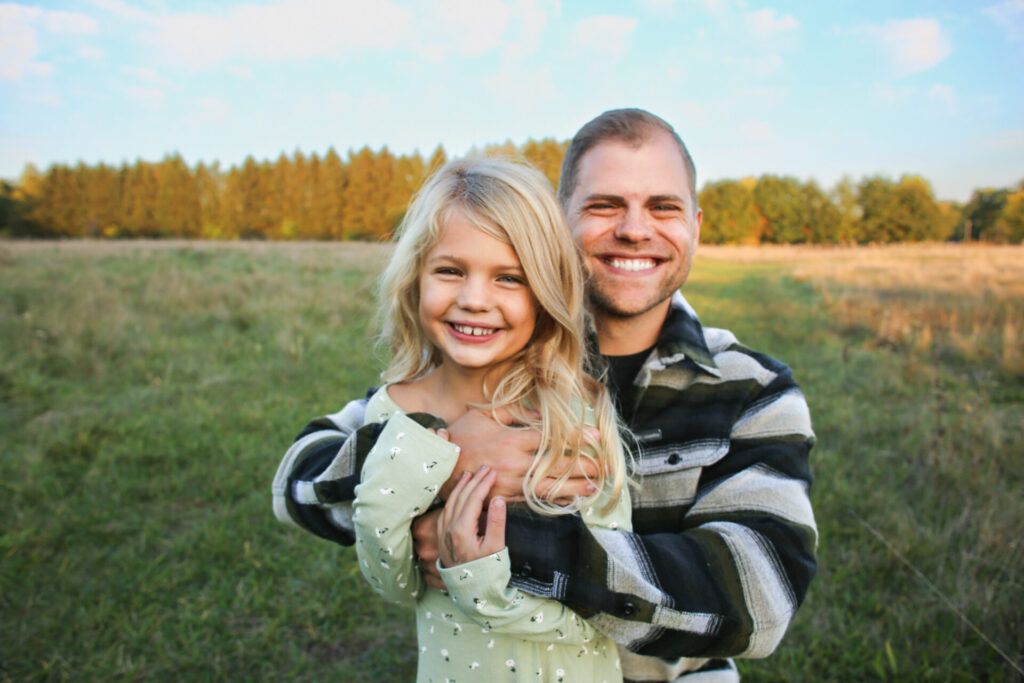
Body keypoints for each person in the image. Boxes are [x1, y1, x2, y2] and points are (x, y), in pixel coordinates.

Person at [272, 108, 818, 681]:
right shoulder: (484, 361)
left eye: (664, 207)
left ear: (696, 226)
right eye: (604, 205)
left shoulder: (752, 388)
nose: (635, 229)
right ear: (555, 225)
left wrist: (496, 543)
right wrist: (450, 451)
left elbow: (761, 600)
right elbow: (296, 482)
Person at [350, 157, 632, 681]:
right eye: (451, 270)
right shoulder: (395, 411)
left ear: (545, 293)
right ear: (415, 278)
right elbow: (392, 582)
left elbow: (609, 609)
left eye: (509, 277)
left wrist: (477, 582)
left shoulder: (573, 418)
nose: (474, 300)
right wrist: (422, 460)